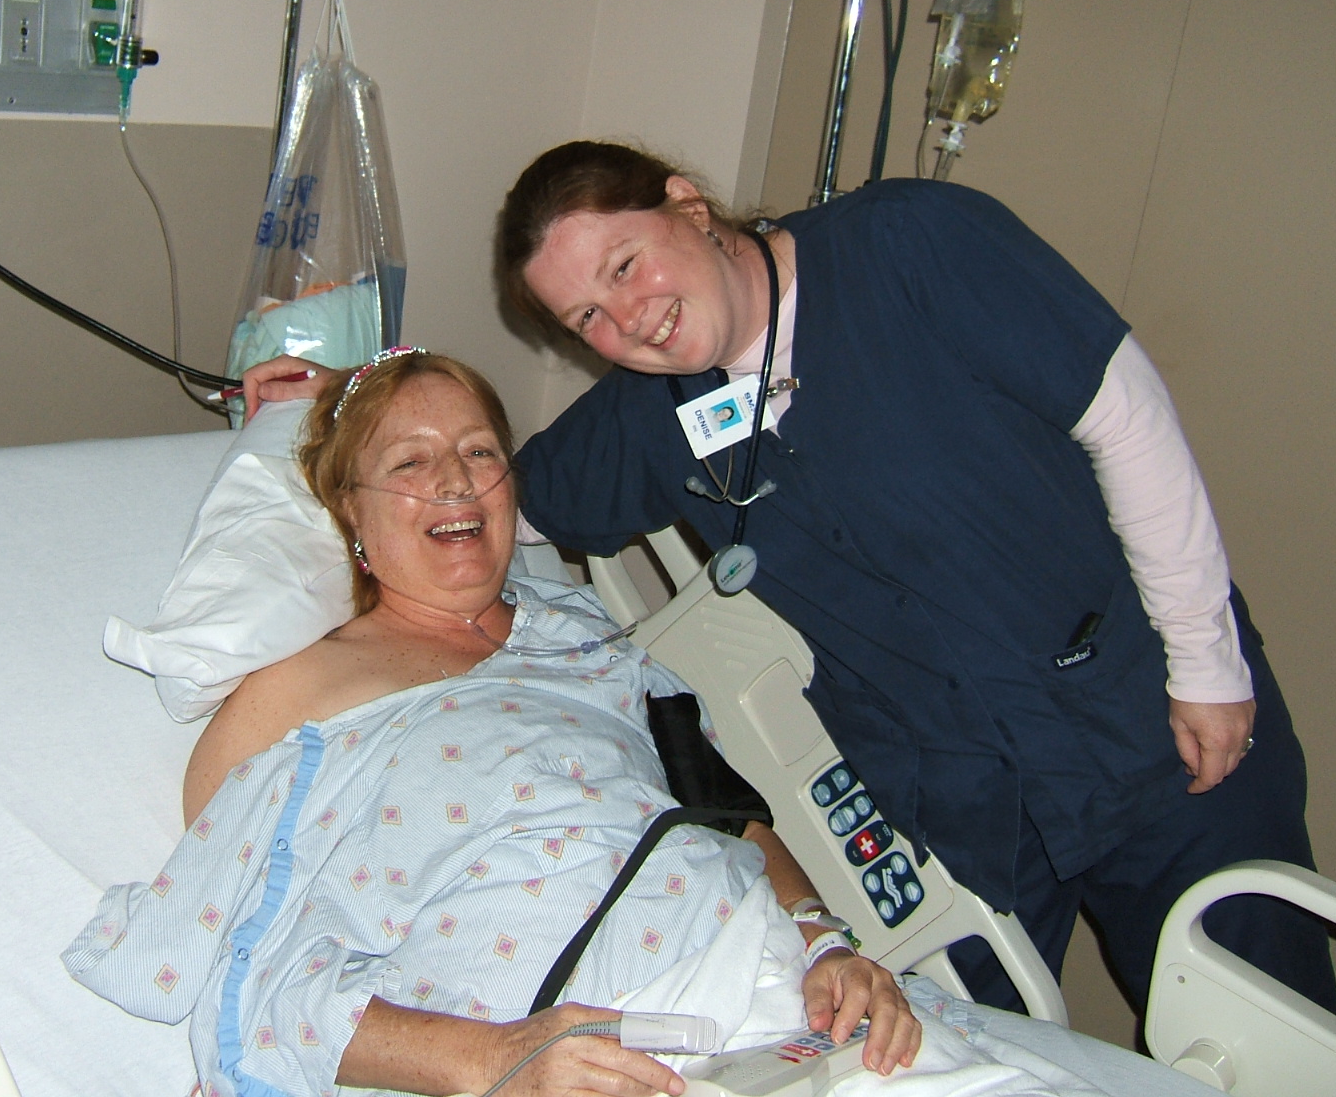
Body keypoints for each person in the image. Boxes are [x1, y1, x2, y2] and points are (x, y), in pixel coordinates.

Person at [240, 144, 1336, 1021]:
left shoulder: (911, 242)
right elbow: (476, 493)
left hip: (1146, 720)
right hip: (957, 810)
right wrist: (350, 403)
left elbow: (1126, 415)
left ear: (686, 203)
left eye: (624, 266)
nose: (628, 321)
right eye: (586, 319)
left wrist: (1205, 660)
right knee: (954, 1053)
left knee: (1261, 1018)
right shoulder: (653, 411)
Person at [67, 349, 920, 1097]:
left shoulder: (582, 630)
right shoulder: (298, 693)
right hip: (573, 1053)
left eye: (479, 452)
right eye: (411, 461)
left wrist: (825, 943)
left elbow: (723, 805)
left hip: (786, 1007)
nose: (455, 480)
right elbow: (262, 976)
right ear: (351, 516)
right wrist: (498, 1058)